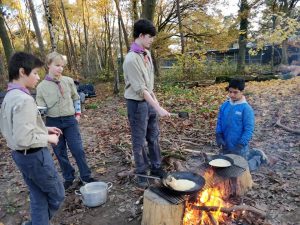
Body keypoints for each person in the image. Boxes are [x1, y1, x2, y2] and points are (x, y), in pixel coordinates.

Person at [0, 52, 65, 225]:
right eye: (35, 73)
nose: (38, 77)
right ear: (22, 72)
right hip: (35, 156)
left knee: (38, 196)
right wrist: (49, 138)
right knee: (57, 193)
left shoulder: (9, 96)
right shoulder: (24, 99)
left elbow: (15, 128)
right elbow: (24, 138)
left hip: (20, 156)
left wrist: (44, 128)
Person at [36, 52, 95, 190]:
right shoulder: (41, 87)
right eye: (57, 65)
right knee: (60, 152)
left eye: (62, 66)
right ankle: (69, 177)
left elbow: (76, 98)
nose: (60, 69)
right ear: (48, 65)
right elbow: (40, 108)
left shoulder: (68, 81)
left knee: (78, 149)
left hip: (70, 121)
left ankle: (86, 176)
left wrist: (78, 114)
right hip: (52, 123)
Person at [123, 19, 170, 188]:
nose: (152, 40)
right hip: (136, 104)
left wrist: (156, 104)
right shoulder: (130, 60)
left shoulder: (146, 53)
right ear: (141, 35)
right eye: (150, 37)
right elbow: (141, 90)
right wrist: (159, 108)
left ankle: (156, 167)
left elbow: (149, 85)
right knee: (139, 140)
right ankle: (142, 172)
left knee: (153, 136)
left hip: (148, 101)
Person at [215, 78, 268, 171]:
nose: (232, 95)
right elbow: (219, 121)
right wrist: (218, 134)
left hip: (239, 147)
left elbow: (249, 129)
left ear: (242, 92)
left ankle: (258, 158)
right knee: (225, 168)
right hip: (226, 144)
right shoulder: (225, 105)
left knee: (242, 169)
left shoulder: (246, 109)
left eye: (235, 92)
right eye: (230, 92)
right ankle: (252, 153)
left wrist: (241, 144)